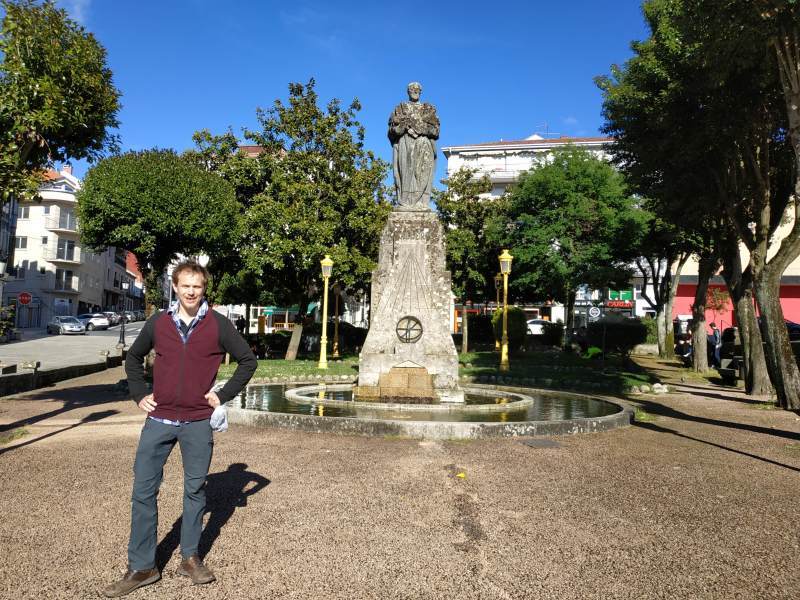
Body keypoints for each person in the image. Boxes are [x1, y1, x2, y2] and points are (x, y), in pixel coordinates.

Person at [103, 261, 257, 598]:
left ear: (204, 289)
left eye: (197, 286)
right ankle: (143, 566)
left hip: (198, 422)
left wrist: (222, 394)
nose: (191, 292)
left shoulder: (218, 325)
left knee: (195, 492)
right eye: (185, 285)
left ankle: (189, 557)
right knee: (143, 491)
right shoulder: (159, 322)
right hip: (159, 421)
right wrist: (140, 394)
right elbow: (133, 359)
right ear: (174, 286)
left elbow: (248, 361)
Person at [387, 81, 440, 209]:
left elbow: (436, 131)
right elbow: (391, 130)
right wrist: (403, 127)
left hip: (423, 144)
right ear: (408, 92)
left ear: (420, 92)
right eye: (412, 89)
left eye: (417, 90)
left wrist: (422, 129)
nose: (415, 91)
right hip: (405, 143)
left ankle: (421, 202)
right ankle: (405, 202)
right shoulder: (400, 108)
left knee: (422, 172)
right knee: (405, 171)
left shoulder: (428, 109)